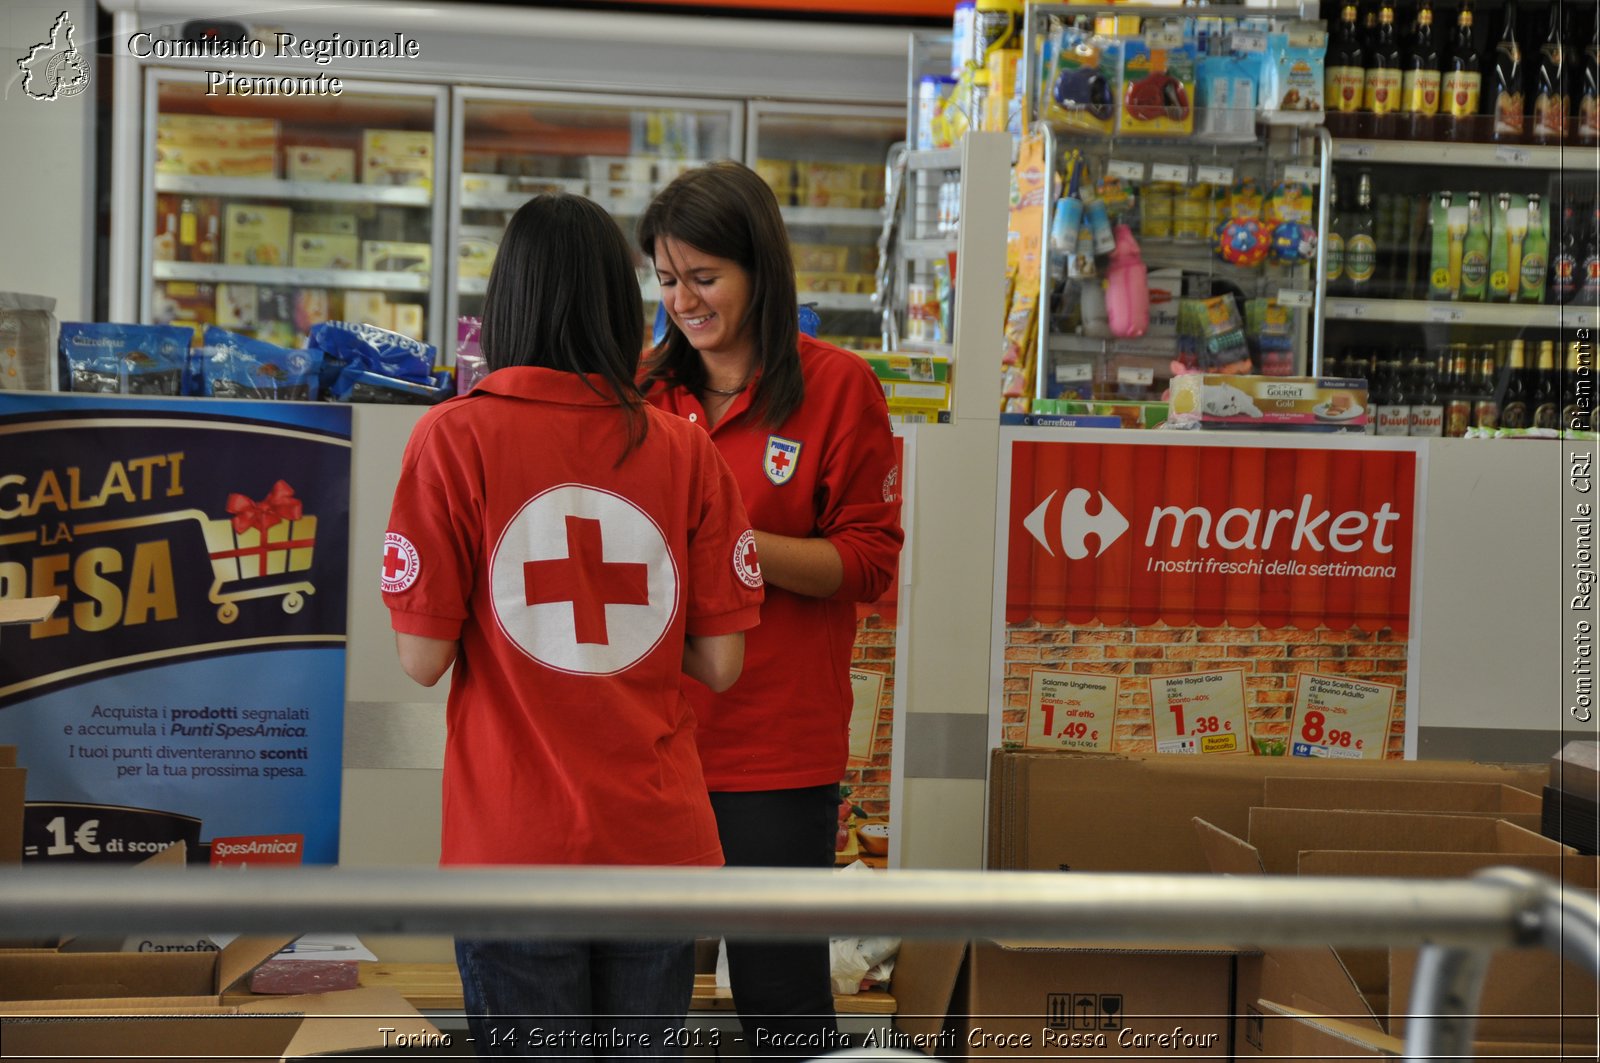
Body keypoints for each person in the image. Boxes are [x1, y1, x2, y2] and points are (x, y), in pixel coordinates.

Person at [381, 193, 765, 1059]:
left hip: (513, 842)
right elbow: (722, 659)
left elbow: (421, 656)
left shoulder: (452, 439)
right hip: (655, 842)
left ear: (506, 299)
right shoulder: (684, 447)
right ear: (614, 303)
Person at [637, 161, 904, 1051]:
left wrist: (732, 541)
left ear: (761, 268)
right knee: (645, 990)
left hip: (777, 747)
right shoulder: (639, 393)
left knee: (780, 992)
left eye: (705, 277)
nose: (685, 300)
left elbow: (867, 562)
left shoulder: (838, 389)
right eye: (668, 279)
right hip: (647, 735)